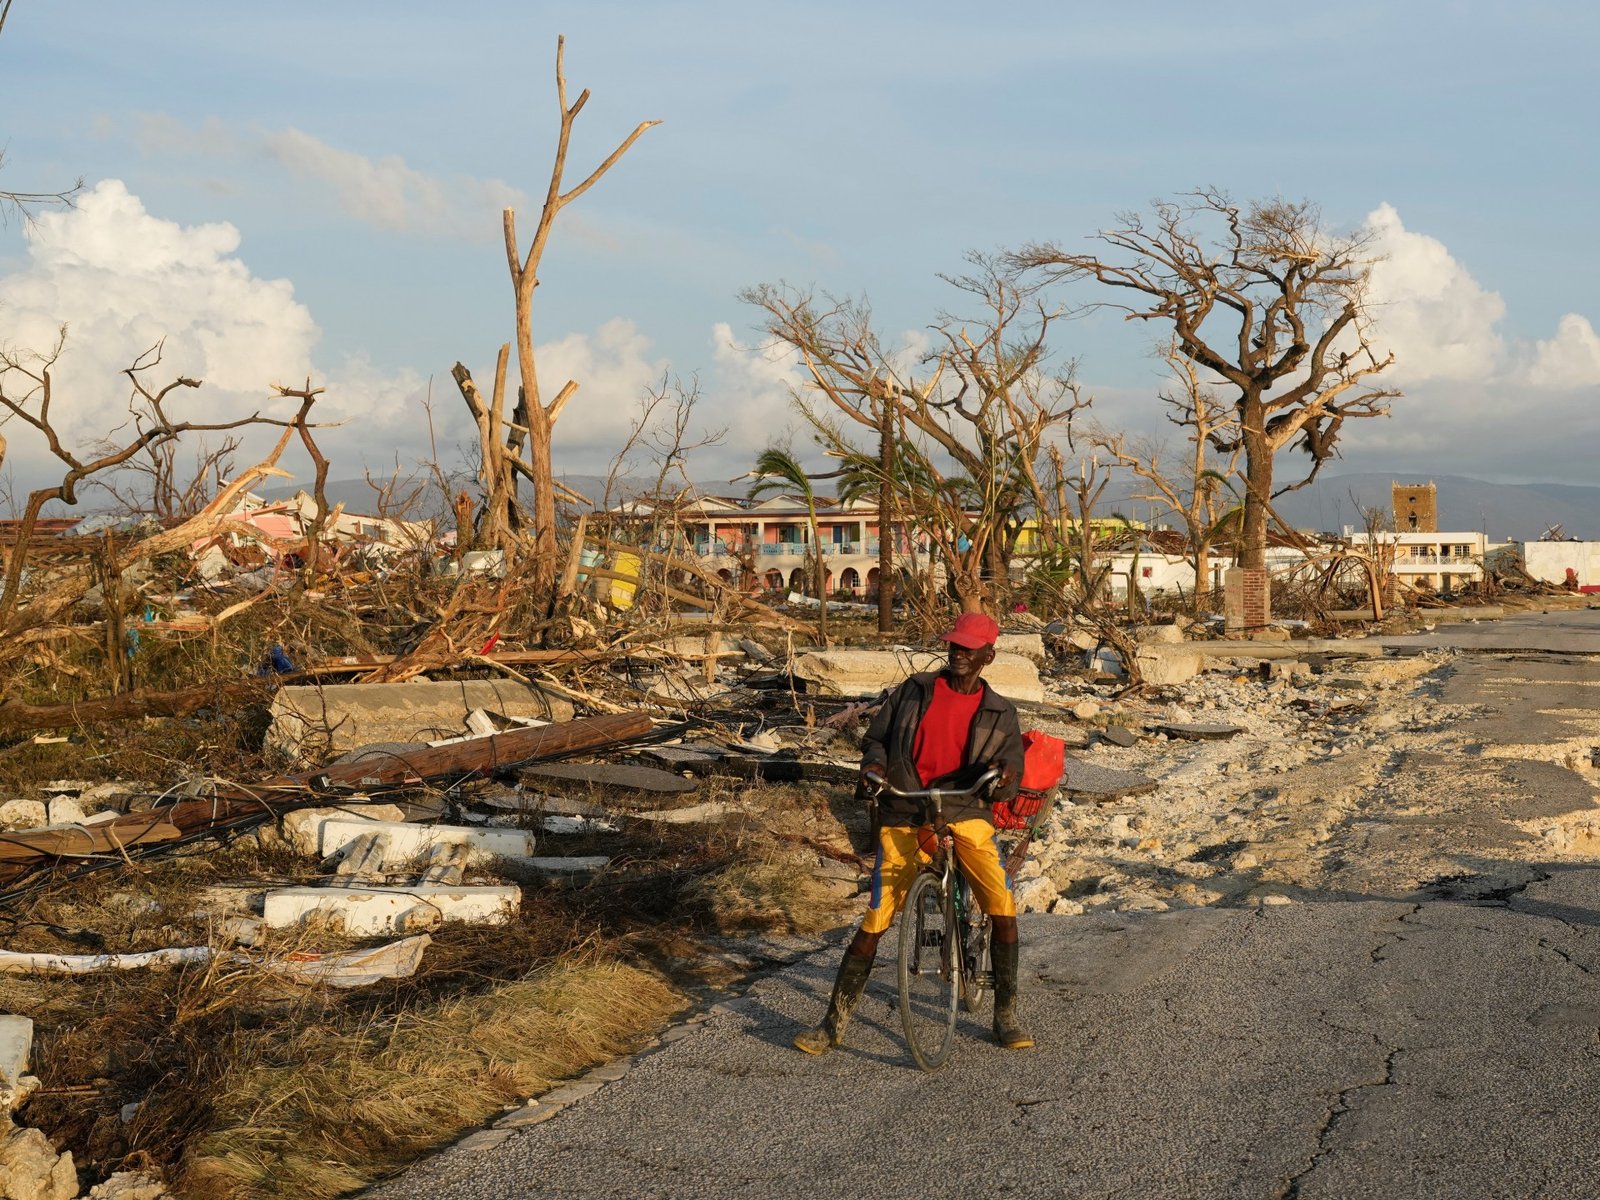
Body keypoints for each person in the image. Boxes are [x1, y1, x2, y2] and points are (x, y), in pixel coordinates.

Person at [793, 611, 1033, 1055]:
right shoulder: (913, 691)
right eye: (954, 645)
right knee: (876, 918)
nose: (958, 653)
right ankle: (832, 1023)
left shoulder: (1001, 712)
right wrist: (873, 768)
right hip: (905, 804)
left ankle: (1006, 1014)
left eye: (968, 648)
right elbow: (876, 740)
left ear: (988, 655)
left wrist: (1002, 776)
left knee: (1001, 902)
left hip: (965, 806)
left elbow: (1013, 767)